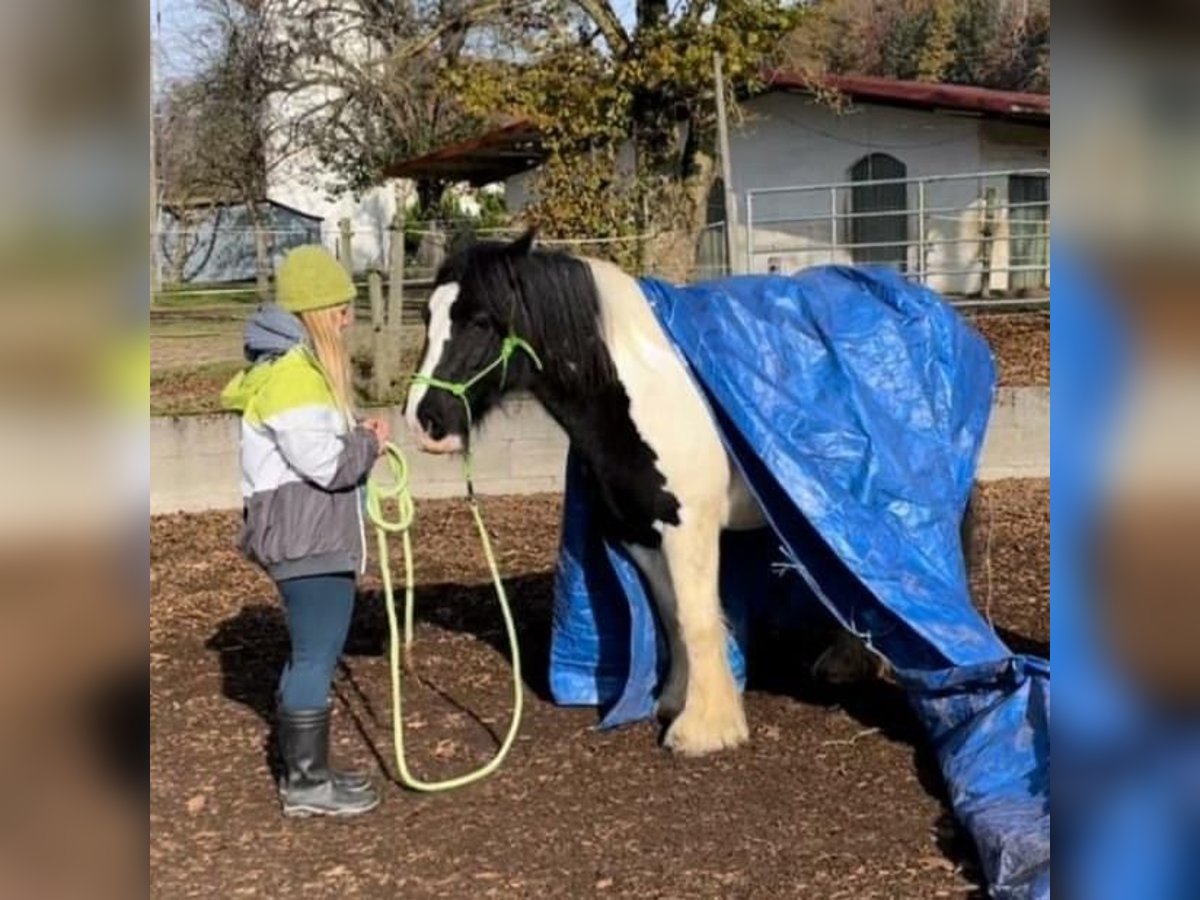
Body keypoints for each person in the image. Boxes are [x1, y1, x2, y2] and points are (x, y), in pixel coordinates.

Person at [221, 245, 390, 817]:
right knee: (316, 657)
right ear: (319, 312)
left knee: (311, 655)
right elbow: (327, 465)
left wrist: (354, 435)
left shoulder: (296, 373)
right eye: (341, 309)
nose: (348, 320)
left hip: (308, 537)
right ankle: (305, 786)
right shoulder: (295, 376)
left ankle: (312, 775)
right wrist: (370, 444)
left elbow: (316, 448)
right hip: (308, 542)